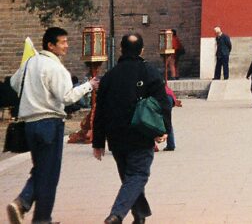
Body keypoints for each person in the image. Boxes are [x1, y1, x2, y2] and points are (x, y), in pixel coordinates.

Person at [6, 27, 97, 224]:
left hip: (30, 124)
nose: (66, 46)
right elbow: (67, 97)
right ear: (51, 45)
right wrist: (89, 85)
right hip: (50, 122)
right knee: (49, 173)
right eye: (62, 42)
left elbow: (14, 83)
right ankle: (33, 211)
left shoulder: (30, 63)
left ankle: (28, 205)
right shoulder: (55, 68)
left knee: (41, 168)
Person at [93, 33, 171, 224]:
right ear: (142, 50)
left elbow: (99, 110)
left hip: (116, 137)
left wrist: (98, 141)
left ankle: (140, 216)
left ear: (121, 49)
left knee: (130, 178)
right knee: (137, 175)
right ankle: (116, 215)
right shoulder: (150, 72)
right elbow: (164, 104)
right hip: (140, 134)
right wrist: (163, 130)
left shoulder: (109, 77)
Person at [163, 84, 181, 151]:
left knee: (151, 121)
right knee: (167, 121)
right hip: (170, 97)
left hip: (162, 97)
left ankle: (152, 146)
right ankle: (171, 145)